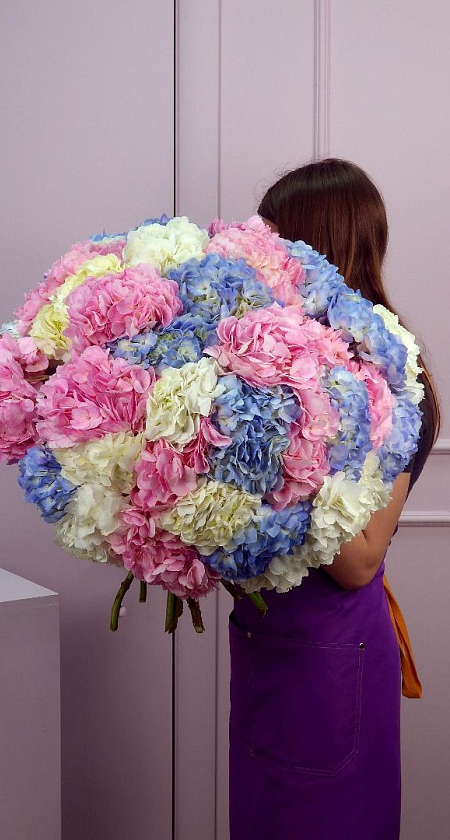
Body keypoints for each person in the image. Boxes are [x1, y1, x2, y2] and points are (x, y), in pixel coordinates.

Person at [228, 158, 441, 840]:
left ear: (318, 249)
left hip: (332, 658)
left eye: (275, 241)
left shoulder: (393, 379)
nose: (261, 259)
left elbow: (358, 561)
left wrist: (277, 446)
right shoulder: (268, 368)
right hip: (270, 646)